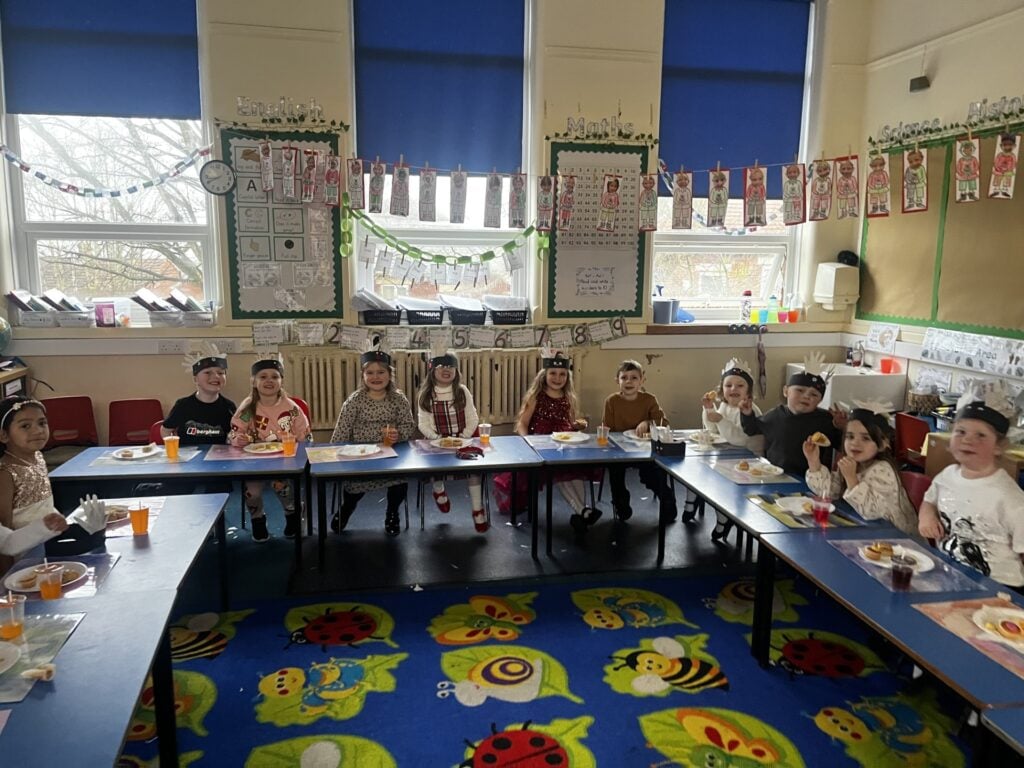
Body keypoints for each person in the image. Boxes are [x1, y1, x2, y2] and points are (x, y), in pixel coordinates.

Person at [918, 387, 1024, 587]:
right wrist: (927, 516)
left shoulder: (1009, 497)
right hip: (949, 574)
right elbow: (929, 500)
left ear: (999, 446)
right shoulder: (947, 476)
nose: (968, 439)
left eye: (981, 435)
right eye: (961, 431)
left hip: (997, 586)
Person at [0, 397, 103, 572]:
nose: (38, 431)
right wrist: (6, 576)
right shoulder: (5, 472)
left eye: (42, 423)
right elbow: (4, 529)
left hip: (49, 543)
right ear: (3, 435)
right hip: (24, 555)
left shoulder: (38, 457)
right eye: (25, 426)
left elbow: (44, 505)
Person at [507, 349, 601, 536]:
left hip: (564, 445)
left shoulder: (568, 398)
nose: (557, 378)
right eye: (553, 374)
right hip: (542, 446)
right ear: (544, 375)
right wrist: (528, 442)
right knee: (561, 474)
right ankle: (583, 510)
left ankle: (582, 511)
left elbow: (569, 422)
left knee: (575, 472)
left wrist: (577, 424)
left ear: (568, 377)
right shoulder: (537, 397)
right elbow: (522, 424)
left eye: (562, 375)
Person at [330, 345, 415, 537]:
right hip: (360, 455)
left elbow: (408, 425)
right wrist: (334, 455)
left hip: (390, 453)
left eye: (381, 372)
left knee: (399, 482)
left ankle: (392, 513)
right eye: (370, 373)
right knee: (353, 491)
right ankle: (346, 509)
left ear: (390, 374)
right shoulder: (355, 400)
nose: (376, 377)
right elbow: (342, 429)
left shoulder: (398, 399)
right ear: (363, 376)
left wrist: (398, 435)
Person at [228, 355, 312, 542]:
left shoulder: (291, 409)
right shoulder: (248, 407)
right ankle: (258, 520)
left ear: (281, 381)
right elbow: (234, 432)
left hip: (282, 462)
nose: (269, 381)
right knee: (252, 493)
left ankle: (292, 515)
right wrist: (238, 439)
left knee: (282, 487)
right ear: (254, 381)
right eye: (263, 377)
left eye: (274, 376)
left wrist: (295, 446)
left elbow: (305, 437)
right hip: (253, 463)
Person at [804, 402, 917, 535]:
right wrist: (813, 461)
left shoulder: (882, 469)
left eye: (866, 438)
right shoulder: (852, 463)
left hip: (897, 539)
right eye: (850, 436)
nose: (855, 443)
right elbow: (829, 493)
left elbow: (872, 512)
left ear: (883, 444)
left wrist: (852, 480)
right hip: (865, 531)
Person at [416, 348, 487, 532]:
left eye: (450, 366)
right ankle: (438, 489)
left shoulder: (462, 391)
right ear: (432, 370)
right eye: (441, 366)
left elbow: (473, 418)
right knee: (435, 468)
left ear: (456, 371)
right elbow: (423, 424)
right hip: (435, 441)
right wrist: (436, 438)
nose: (446, 369)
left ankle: (477, 509)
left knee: (474, 471)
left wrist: (464, 437)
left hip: (462, 439)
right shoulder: (426, 394)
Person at [740, 352, 845, 475]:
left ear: (820, 400)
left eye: (814, 394)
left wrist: (841, 427)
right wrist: (747, 414)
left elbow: (840, 445)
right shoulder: (775, 415)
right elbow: (752, 429)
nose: (806, 396)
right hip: (775, 474)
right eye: (800, 390)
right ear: (786, 391)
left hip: (812, 479)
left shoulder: (825, 419)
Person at [602, 360, 677, 523]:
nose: (629, 381)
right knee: (615, 471)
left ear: (642, 380)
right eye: (624, 378)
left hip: (644, 449)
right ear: (617, 381)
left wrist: (648, 423)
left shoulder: (649, 400)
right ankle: (621, 503)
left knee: (650, 474)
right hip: (619, 449)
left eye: (634, 378)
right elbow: (607, 428)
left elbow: (664, 422)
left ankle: (667, 498)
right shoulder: (611, 401)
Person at [702, 359, 764, 541]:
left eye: (740, 385)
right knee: (712, 481)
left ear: (748, 391)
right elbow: (713, 431)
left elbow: (740, 440)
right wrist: (709, 410)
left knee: (723, 484)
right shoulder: (724, 406)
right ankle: (722, 516)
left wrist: (720, 419)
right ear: (722, 389)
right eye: (728, 385)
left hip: (750, 460)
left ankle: (728, 518)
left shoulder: (750, 410)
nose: (733, 389)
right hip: (729, 456)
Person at [163, 344, 236, 446]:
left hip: (218, 459)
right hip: (189, 460)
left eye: (220, 373)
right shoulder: (183, 405)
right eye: (207, 372)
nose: (215, 376)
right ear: (195, 379)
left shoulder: (229, 406)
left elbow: (234, 434)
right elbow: (166, 430)